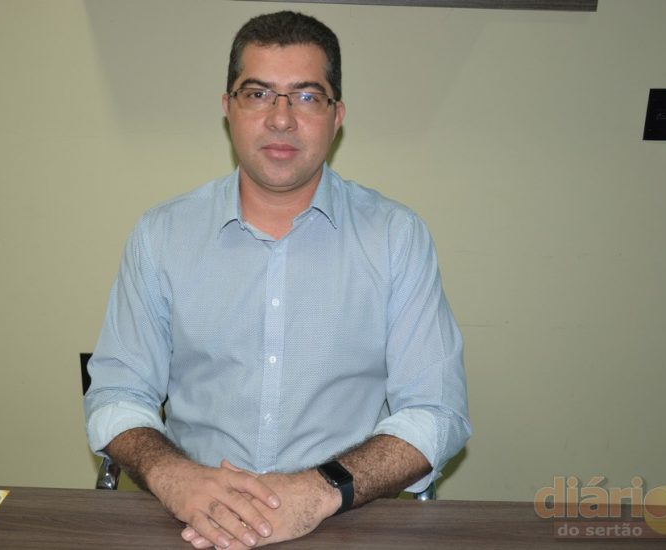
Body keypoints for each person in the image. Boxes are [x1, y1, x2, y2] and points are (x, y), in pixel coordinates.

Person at [84, 10, 471, 549]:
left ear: (337, 116)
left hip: (343, 518)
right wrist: (177, 478)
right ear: (228, 109)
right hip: (193, 523)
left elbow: (437, 411)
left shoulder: (395, 237)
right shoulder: (162, 235)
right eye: (258, 94)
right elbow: (115, 394)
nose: (281, 119)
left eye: (307, 96)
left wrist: (318, 491)